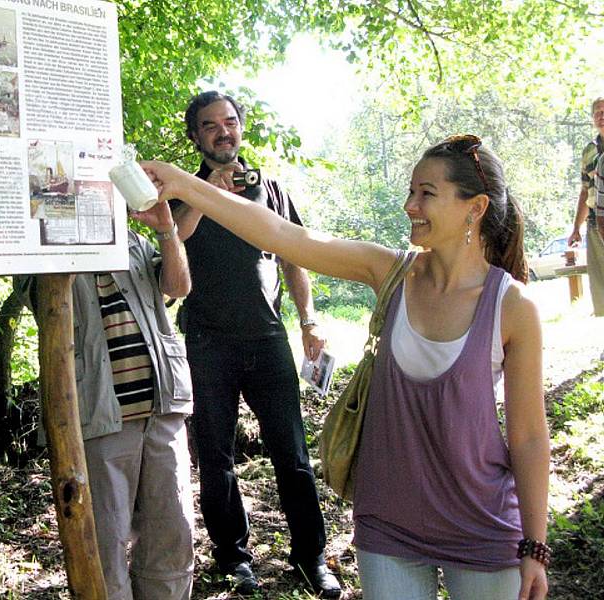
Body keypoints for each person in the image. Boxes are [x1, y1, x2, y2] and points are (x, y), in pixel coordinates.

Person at [141, 133, 551, 600]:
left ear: (474, 208)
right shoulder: (390, 272)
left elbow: (529, 437)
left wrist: (534, 545)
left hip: (483, 526)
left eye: (426, 194)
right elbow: (284, 236)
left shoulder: (512, 306)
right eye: (410, 191)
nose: (409, 205)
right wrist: (180, 184)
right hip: (389, 526)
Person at [168, 91, 341, 597]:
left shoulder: (271, 189)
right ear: (195, 137)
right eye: (210, 125)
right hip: (207, 342)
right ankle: (234, 560)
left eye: (230, 122)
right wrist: (207, 193)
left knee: (292, 455)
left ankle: (311, 557)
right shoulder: (183, 192)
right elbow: (172, 243)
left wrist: (308, 321)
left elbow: (294, 258)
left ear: (241, 128)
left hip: (268, 339)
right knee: (216, 459)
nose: (223, 131)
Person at [33, 201, 195, 600]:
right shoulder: (41, 247)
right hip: (98, 416)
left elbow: (178, 287)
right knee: (105, 540)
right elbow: (40, 301)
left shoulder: (136, 243)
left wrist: (167, 230)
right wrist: (68, 243)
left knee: (172, 531)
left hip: (162, 407)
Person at [569, 97, 604, 320]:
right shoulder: (589, 151)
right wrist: (576, 229)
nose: (601, 115)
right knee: (600, 282)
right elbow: (584, 191)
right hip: (595, 223)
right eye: (597, 112)